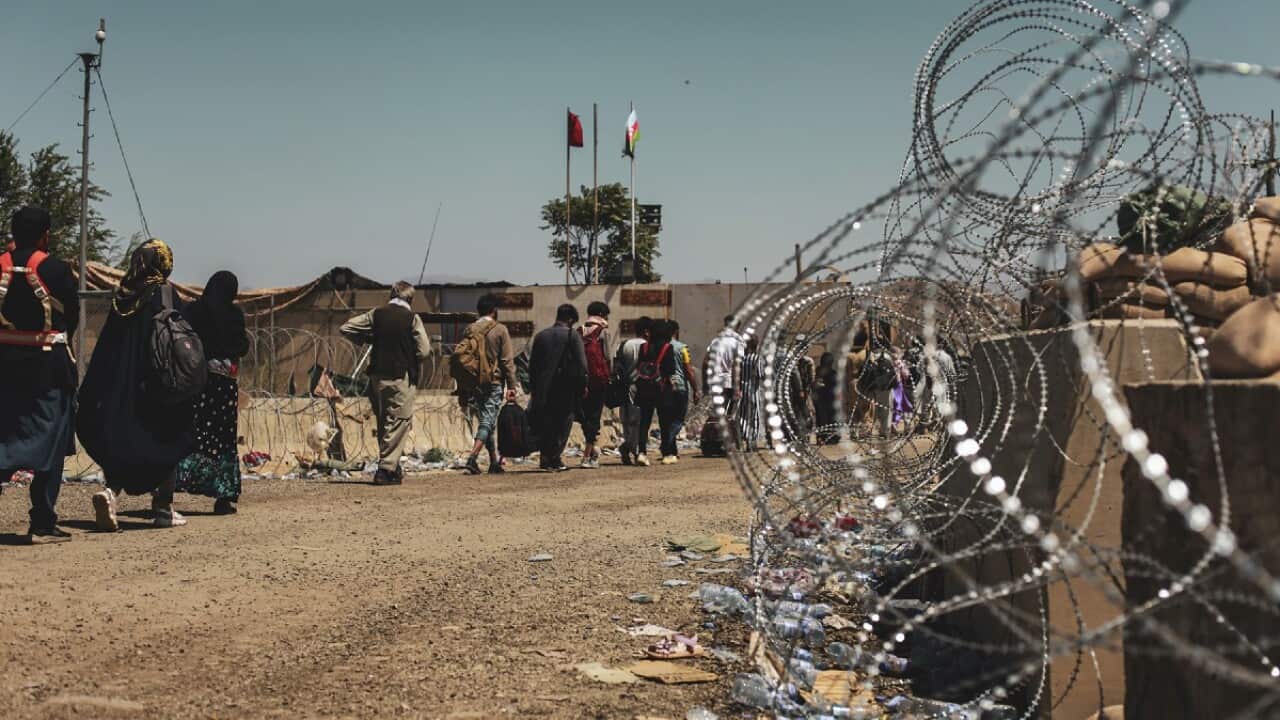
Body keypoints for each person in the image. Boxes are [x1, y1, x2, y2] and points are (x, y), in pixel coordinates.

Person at [80, 239, 195, 530]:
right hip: (154, 382)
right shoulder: (163, 293)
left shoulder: (124, 296)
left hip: (120, 384)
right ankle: (163, 508)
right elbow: (174, 336)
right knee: (171, 435)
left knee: (126, 439)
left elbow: (108, 345)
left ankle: (110, 493)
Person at [0, 207, 79, 544]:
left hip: (4, 366)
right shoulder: (57, 269)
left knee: (5, 435)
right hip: (48, 368)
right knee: (50, 439)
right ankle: (42, 522)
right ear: (45, 234)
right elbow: (72, 316)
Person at [340, 281, 431, 485]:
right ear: (411, 298)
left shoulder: (376, 314)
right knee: (399, 421)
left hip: (377, 376)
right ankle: (385, 469)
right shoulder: (412, 318)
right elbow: (424, 350)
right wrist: (410, 353)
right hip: (401, 376)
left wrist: (370, 338)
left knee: (385, 421)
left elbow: (346, 328)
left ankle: (394, 467)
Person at [174, 271, 250, 514]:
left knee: (191, 430)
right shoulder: (234, 314)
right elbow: (243, 346)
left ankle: (171, 487)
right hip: (224, 386)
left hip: (198, 382)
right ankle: (223, 497)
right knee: (223, 438)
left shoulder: (194, 310)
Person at [461, 293, 517, 475]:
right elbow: (507, 361)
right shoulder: (500, 330)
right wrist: (512, 385)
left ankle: (493, 461)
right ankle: (472, 457)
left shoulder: (470, 329)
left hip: (474, 382)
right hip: (494, 381)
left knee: (487, 419)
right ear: (494, 311)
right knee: (487, 419)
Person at [527, 304, 587, 472]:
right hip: (565, 387)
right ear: (570, 320)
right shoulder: (572, 335)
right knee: (564, 422)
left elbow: (532, 366)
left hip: (543, 389)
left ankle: (545, 456)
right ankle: (555, 457)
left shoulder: (541, 336)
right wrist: (582, 385)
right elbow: (582, 365)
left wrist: (533, 388)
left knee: (547, 422)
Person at [577, 301, 612, 469]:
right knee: (595, 416)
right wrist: (609, 375)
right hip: (599, 380)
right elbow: (608, 357)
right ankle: (588, 456)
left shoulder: (579, 330)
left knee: (584, 416)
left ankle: (592, 449)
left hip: (582, 380)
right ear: (602, 314)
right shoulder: (603, 332)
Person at [660, 320, 700, 464]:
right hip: (680, 387)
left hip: (663, 387)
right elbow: (688, 371)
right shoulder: (682, 348)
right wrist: (696, 389)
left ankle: (670, 451)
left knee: (665, 420)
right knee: (678, 419)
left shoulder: (659, 347)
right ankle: (668, 442)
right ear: (676, 331)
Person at [614, 316, 652, 466]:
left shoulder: (624, 345)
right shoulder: (648, 346)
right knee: (639, 422)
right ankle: (631, 449)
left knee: (627, 421)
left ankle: (629, 448)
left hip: (624, 387)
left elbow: (617, 366)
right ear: (647, 332)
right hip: (641, 388)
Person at [813, 352, 839, 444]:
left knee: (821, 419)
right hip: (829, 399)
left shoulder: (818, 371)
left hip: (821, 399)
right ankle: (830, 438)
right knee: (829, 419)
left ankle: (822, 437)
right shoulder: (831, 373)